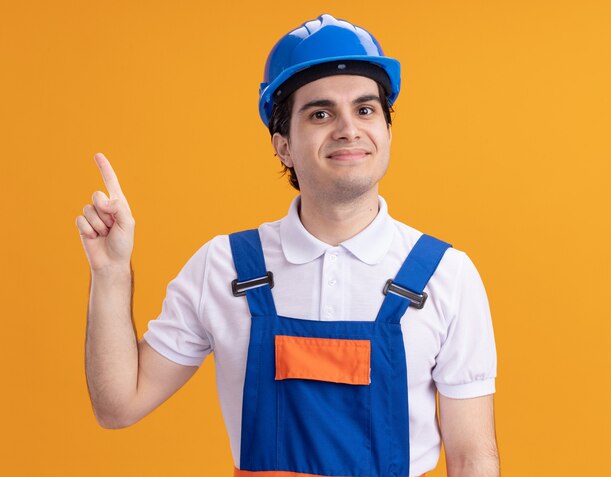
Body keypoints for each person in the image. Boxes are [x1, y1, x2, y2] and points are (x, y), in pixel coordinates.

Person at [76, 14, 499, 477]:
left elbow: (472, 458)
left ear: (388, 131)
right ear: (282, 146)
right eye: (320, 113)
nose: (348, 129)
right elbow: (118, 405)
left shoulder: (446, 276)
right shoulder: (225, 269)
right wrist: (111, 272)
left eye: (365, 109)